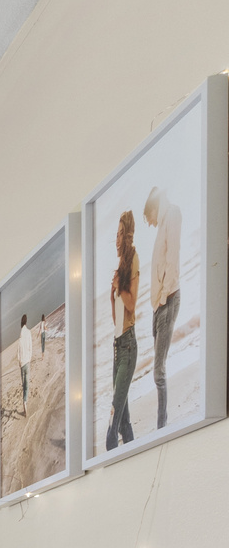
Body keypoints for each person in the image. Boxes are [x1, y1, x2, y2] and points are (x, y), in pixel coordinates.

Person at [144, 187, 182, 428]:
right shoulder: (163, 223)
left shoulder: (173, 215)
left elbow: (173, 259)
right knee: (158, 370)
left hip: (167, 300)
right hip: (159, 305)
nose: (150, 224)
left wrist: (162, 298)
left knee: (158, 371)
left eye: (149, 219)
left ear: (154, 210)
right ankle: (162, 424)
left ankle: (162, 426)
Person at [108, 210, 138, 451]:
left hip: (128, 345)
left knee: (113, 422)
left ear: (127, 235)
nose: (116, 240)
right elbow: (116, 316)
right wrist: (111, 295)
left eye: (120, 234)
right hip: (117, 347)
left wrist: (119, 286)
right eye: (115, 235)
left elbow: (132, 303)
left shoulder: (133, 258)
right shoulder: (121, 264)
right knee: (124, 422)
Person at [18, 314, 32, 417]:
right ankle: (25, 400)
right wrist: (29, 359)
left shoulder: (20, 337)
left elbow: (18, 353)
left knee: (23, 385)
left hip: (22, 364)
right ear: (26, 322)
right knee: (27, 384)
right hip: (27, 362)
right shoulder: (29, 333)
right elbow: (30, 347)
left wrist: (20, 363)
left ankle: (24, 403)